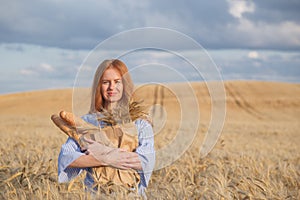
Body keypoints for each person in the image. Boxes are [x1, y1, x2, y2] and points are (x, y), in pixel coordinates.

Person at [57, 59, 155, 196]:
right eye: (105, 82)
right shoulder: (86, 122)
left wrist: (102, 152)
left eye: (117, 81)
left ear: (125, 85)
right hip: (96, 195)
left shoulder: (140, 123)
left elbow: (145, 161)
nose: (111, 87)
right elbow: (66, 158)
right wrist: (107, 159)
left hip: (131, 195)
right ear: (99, 86)